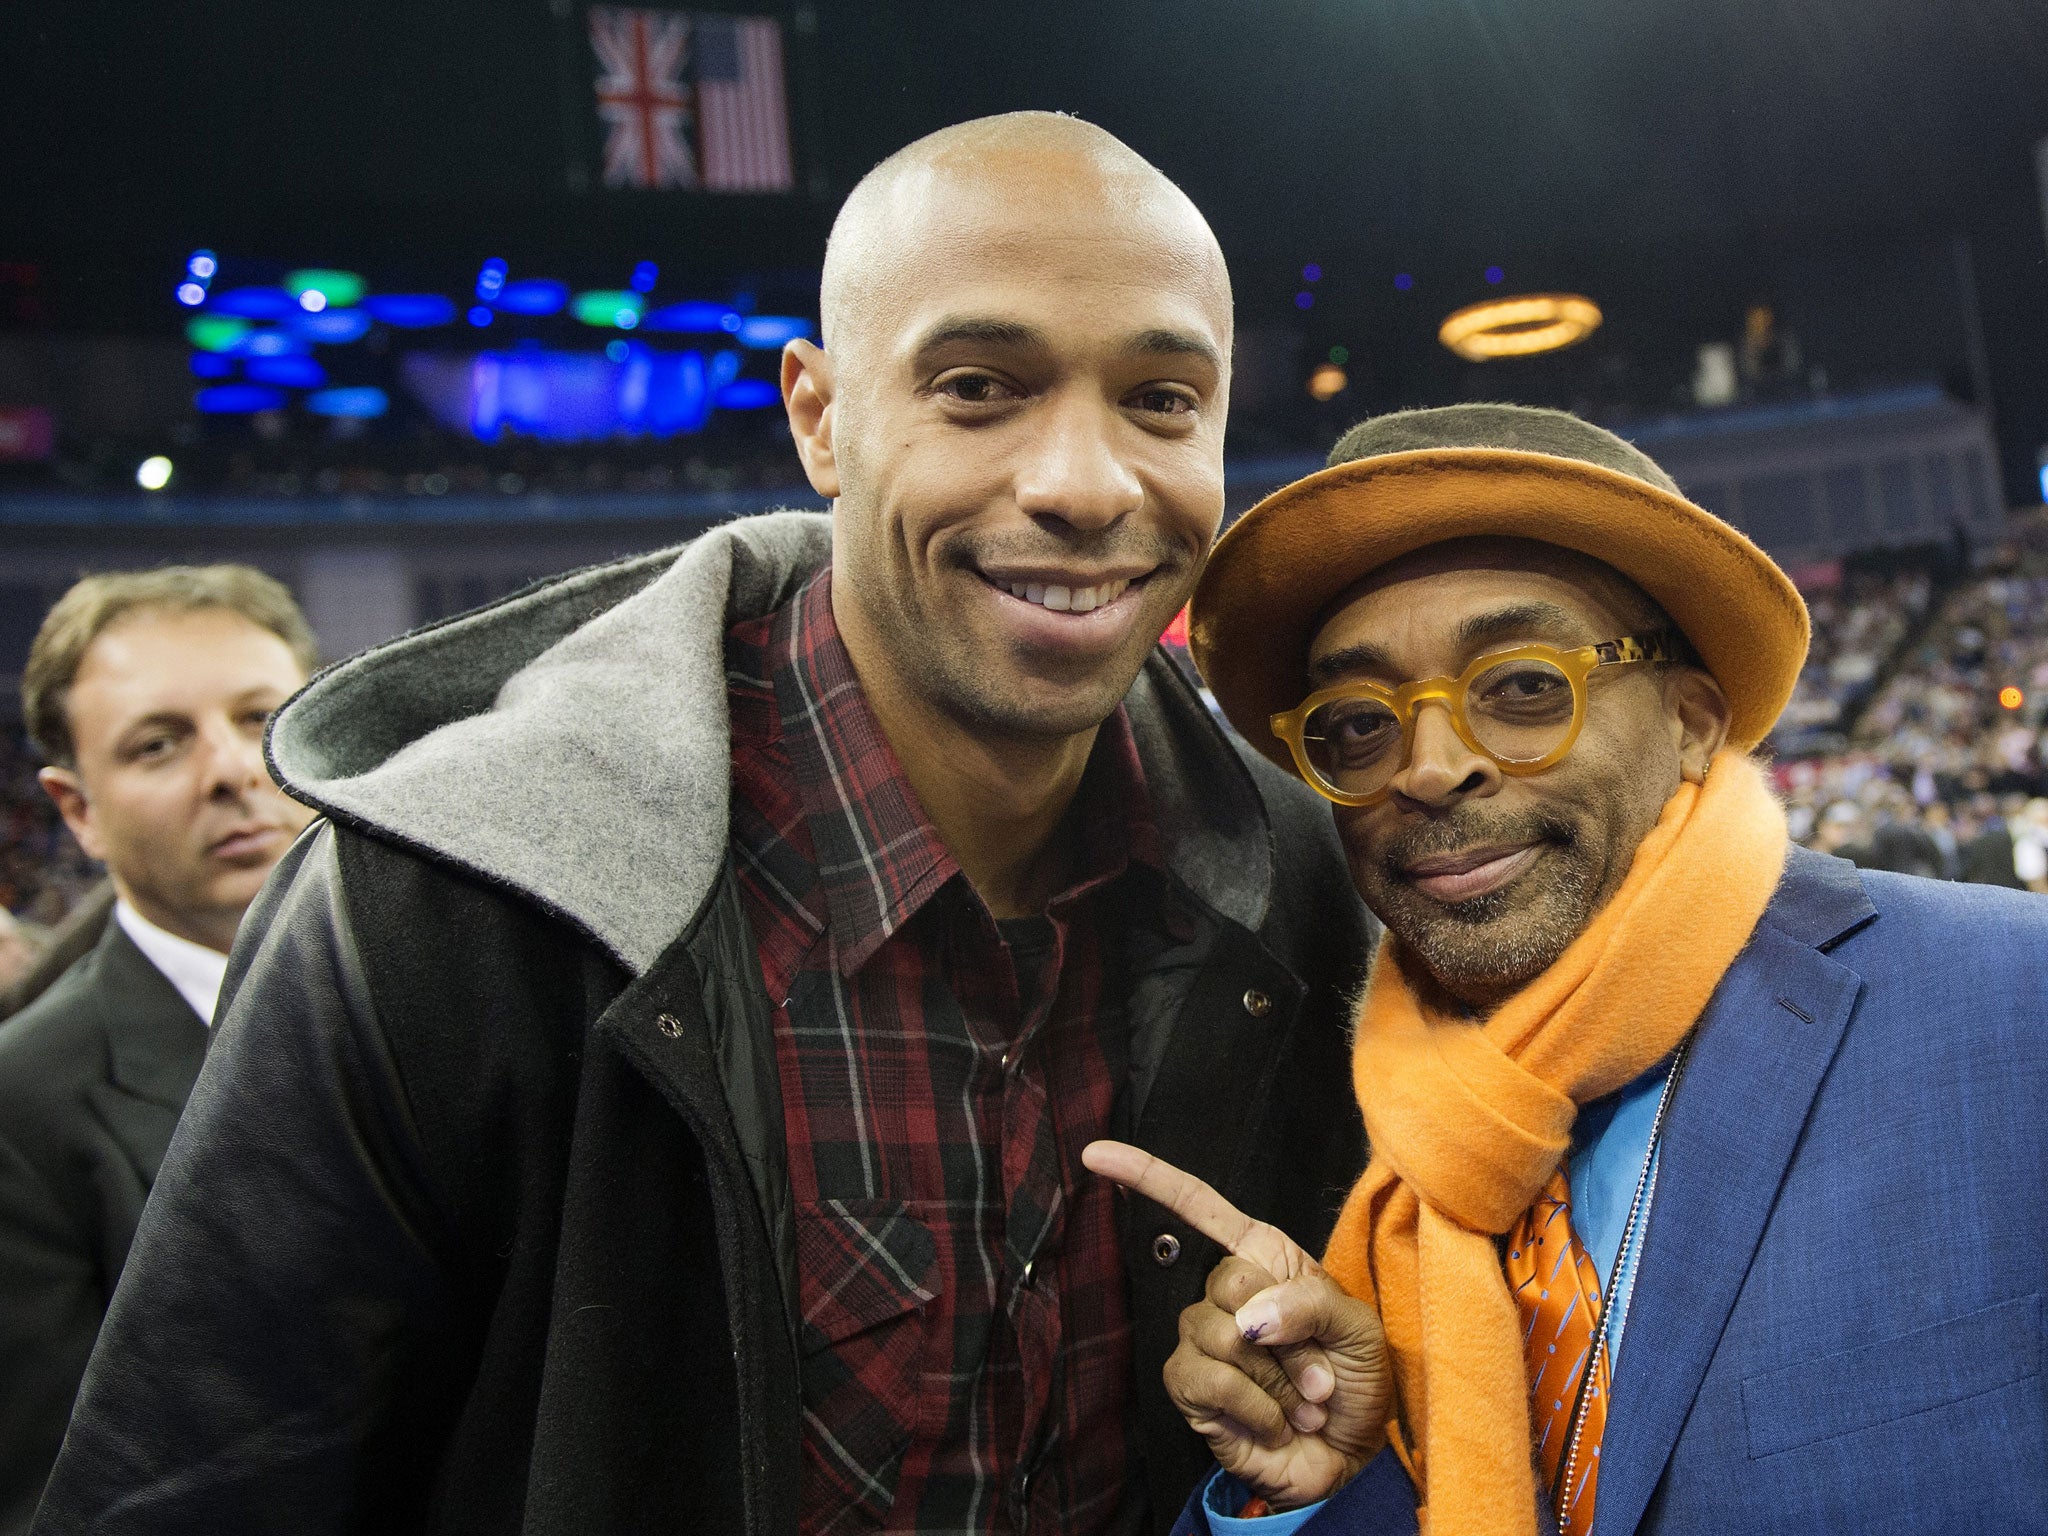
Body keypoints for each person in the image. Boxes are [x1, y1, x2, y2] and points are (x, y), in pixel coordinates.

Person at [32, 114, 1375, 1536]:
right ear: (818, 418)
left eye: (1163, 400)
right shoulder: (442, 911)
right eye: (980, 387)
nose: (1085, 483)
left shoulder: (1284, 877)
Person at [1089, 404, 2048, 1535]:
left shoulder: (2007, 1010)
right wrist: (1316, 1490)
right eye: (1355, 723)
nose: (1431, 767)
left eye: (1524, 687)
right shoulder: (1335, 1146)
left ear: (1691, 722)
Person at [0, 566, 319, 1533]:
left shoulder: (483, 1006)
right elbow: (54, 1500)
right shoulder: (23, 1105)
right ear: (77, 811)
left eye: (261, 716)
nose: (230, 770)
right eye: (157, 744)